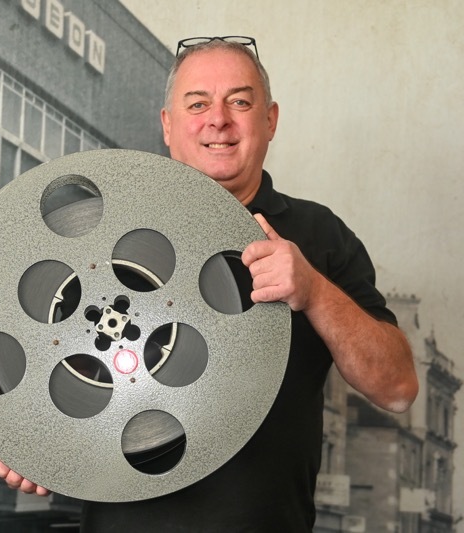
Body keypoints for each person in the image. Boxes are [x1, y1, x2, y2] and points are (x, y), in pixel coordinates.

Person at [79, 36, 419, 532]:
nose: (218, 119)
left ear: (271, 120)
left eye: (239, 101)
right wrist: (26, 452)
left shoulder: (321, 237)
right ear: (168, 126)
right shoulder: (102, 227)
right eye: (198, 104)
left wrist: (314, 291)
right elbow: (49, 368)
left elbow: (398, 389)